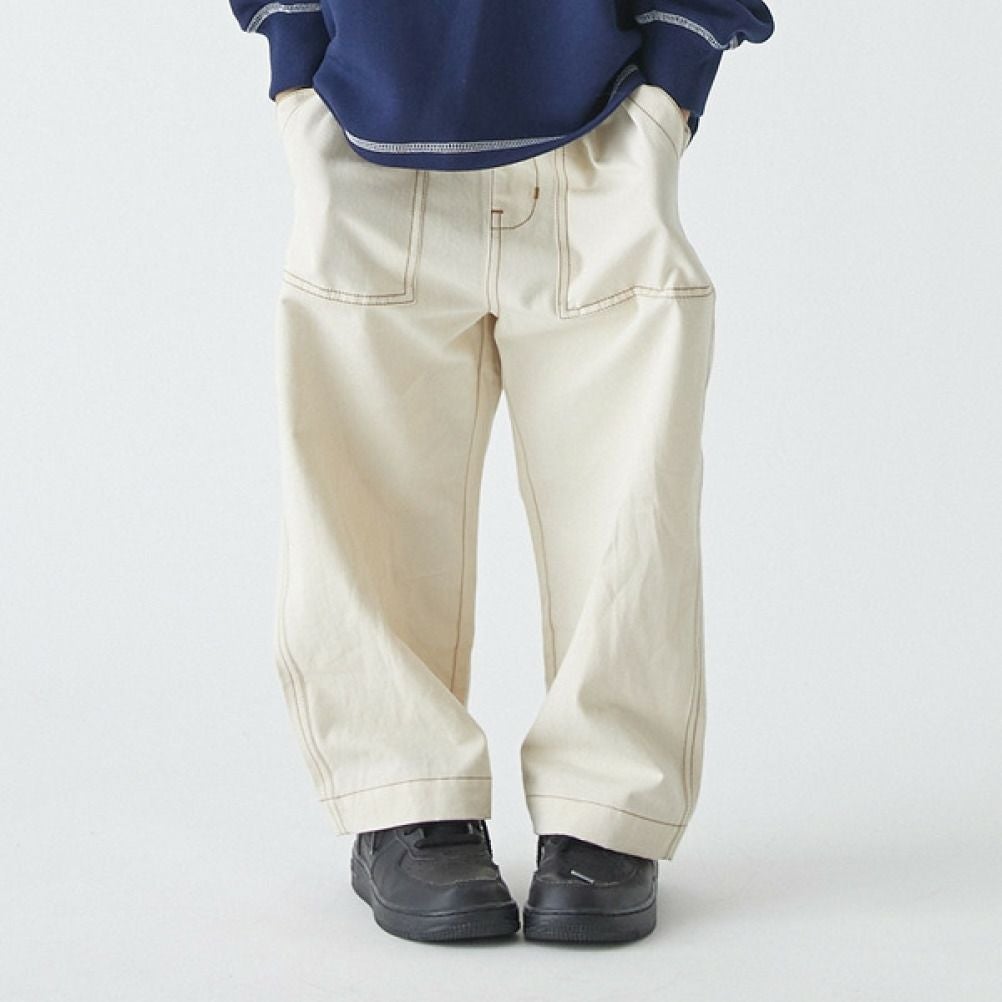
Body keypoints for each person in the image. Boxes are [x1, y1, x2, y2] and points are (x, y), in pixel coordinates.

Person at [227, 0, 774, 944]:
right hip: (364, 131)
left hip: (604, 130)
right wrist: (295, 57)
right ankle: (406, 797)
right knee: (360, 499)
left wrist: (673, 80)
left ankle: (605, 810)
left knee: (629, 505)